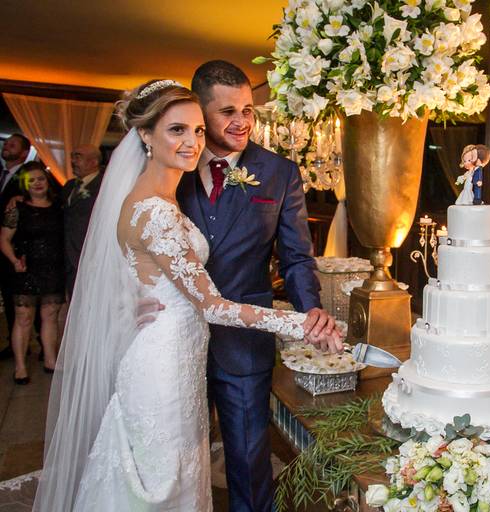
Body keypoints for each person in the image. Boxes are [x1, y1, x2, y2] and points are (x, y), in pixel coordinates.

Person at [32, 80, 342, 511]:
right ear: (145, 135)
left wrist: (133, 299)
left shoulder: (161, 196)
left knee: (191, 474)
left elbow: (137, 267)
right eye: (178, 130)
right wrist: (300, 325)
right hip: (165, 363)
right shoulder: (155, 208)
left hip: (185, 355)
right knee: (164, 483)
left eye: (197, 131)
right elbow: (211, 304)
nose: (193, 142)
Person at [176, 60, 335, 512]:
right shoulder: (174, 163)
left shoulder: (280, 172)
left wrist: (310, 312)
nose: (242, 121)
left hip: (244, 338)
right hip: (177, 333)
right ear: (200, 113)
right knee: (177, 456)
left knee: (248, 458)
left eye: (248, 109)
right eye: (227, 111)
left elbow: (297, 255)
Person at [0, 162, 65, 383]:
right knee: (24, 318)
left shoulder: (59, 206)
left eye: (41, 179)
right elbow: (4, 240)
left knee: (50, 316)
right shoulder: (17, 208)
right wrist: (13, 260)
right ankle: (20, 367)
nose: (37, 183)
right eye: (32, 180)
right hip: (26, 270)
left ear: (47, 182)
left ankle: (50, 359)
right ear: (25, 185)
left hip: (54, 268)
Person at [0, 134, 31, 356]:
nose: (6, 146)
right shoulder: (1, 175)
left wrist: (22, 198)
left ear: (23, 153)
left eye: (12, 144)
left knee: (17, 298)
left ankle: (18, 345)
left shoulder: (26, 176)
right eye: (6, 143)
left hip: (17, 246)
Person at [61, 144, 104, 298]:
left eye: (77, 156)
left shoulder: (104, 186)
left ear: (93, 162)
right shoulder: (69, 186)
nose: (73, 160)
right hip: (68, 256)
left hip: (92, 256)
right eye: (72, 156)